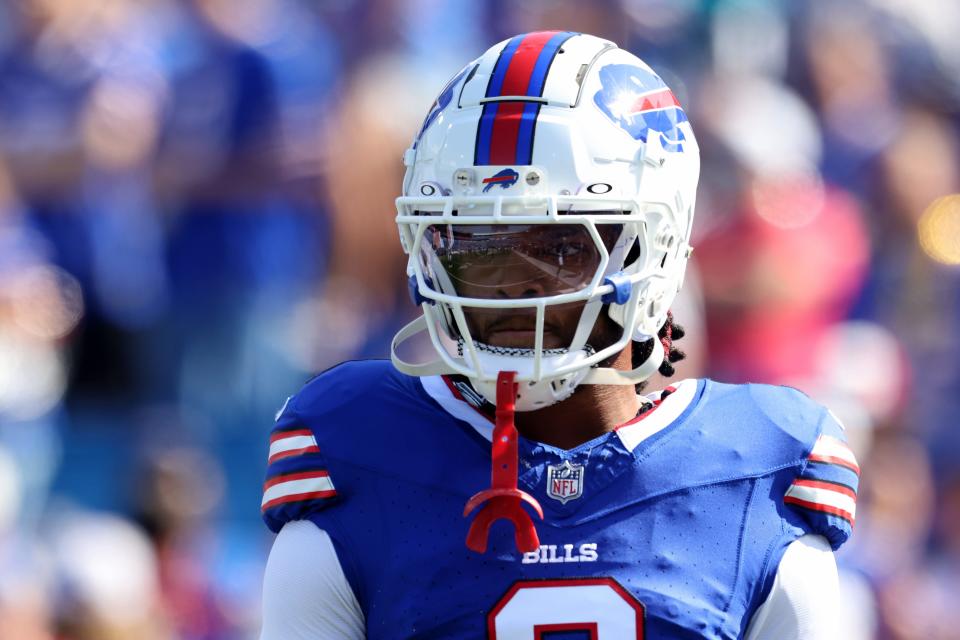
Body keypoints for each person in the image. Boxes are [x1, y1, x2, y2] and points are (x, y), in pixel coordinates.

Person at [259, 31, 859, 639]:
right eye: (478, 248)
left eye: (559, 248)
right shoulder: (359, 456)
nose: (514, 287)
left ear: (653, 248)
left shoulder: (756, 473)